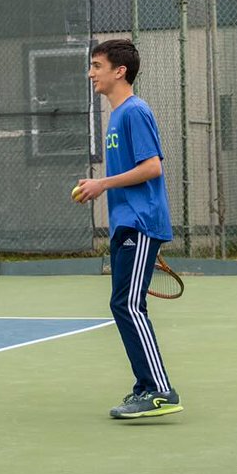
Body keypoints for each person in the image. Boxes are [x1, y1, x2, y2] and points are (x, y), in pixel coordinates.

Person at [74, 38, 182, 420]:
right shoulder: (116, 116)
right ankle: (145, 386)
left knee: (129, 304)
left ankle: (160, 390)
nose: (91, 73)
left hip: (140, 222)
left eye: (97, 65)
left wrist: (102, 184)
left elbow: (152, 167)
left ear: (119, 71)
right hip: (126, 223)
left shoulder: (135, 111)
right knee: (122, 304)